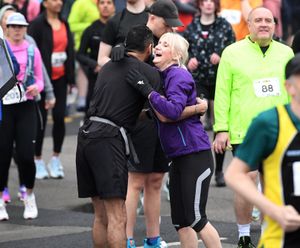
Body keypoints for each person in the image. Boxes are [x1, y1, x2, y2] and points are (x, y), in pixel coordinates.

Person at [76, 25, 206, 248]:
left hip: (86, 135)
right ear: (149, 47)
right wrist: (197, 108)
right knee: (118, 217)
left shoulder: (108, 67)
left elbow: (126, 106)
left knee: (100, 216)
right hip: (108, 139)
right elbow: (168, 114)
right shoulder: (149, 74)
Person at [98, 1, 186, 247]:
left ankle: (153, 238)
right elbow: (102, 60)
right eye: (167, 23)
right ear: (153, 18)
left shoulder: (169, 39)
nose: (171, 28)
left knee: (157, 179)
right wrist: (119, 56)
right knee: (135, 181)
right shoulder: (125, 26)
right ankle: (126, 239)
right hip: (138, 114)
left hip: (162, 114)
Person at [127, 32, 221, 248]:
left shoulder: (178, 75)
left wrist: (148, 92)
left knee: (196, 218)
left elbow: (172, 111)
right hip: (178, 157)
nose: (158, 46)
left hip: (195, 155)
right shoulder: (162, 76)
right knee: (181, 221)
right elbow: (161, 113)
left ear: (177, 55)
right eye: (158, 43)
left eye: (165, 44)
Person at [213, 7, 294, 247]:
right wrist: (221, 128)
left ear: (274, 25)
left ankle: (271, 232)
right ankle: (244, 234)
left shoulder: (286, 53)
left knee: (274, 184)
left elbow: (293, 91)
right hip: (244, 129)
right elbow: (222, 92)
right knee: (246, 182)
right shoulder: (231, 52)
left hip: (280, 129)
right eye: (258, 20)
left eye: (268, 20)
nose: (263, 24)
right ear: (248, 24)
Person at [225, 54, 300, 248]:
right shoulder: (269, 123)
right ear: (289, 87)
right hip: (282, 237)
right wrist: (273, 210)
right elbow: (234, 175)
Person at [183, 0, 235, 186]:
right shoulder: (192, 26)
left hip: (221, 78)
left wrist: (222, 56)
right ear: (199, 5)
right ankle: (196, 164)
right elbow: (183, 50)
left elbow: (233, 49)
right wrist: (189, 60)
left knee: (220, 124)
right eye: (204, 1)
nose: (208, 4)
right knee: (197, 119)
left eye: (211, 1)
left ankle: (219, 170)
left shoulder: (224, 26)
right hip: (199, 79)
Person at [0, 12, 44, 221]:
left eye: (21, 26)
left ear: (26, 28)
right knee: (2, 154)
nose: (17, 30)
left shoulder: (32, 50)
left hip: (26, 106)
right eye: (13, 26)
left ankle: (30, 195)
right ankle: (0, 200)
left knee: (27, 155)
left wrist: (37, 88)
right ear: (6, 28)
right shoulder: (1, 50)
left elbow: (41, 79)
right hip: (4, 108)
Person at [28, 0, 75, 179]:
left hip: (61, 78)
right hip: (41, 79)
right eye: (54, 0)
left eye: (60, 0)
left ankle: (55, 158)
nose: (59, 3)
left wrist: (71, 78)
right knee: (40, 121)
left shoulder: (64, 23)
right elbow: (32, 51)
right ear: (45, 3)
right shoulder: (37, 25)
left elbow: (70, 50)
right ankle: (37, 159)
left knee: (59, 117)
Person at [76, 0, 115, 115]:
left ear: (114, 7)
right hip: (96, 77)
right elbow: (80, 54)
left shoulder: (119, 27)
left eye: (109, 3)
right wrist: (95, 64)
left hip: (117, 76)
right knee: (91, 111)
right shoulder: (91, 29)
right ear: (97, 7)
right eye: (102, 3)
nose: (105, 6)